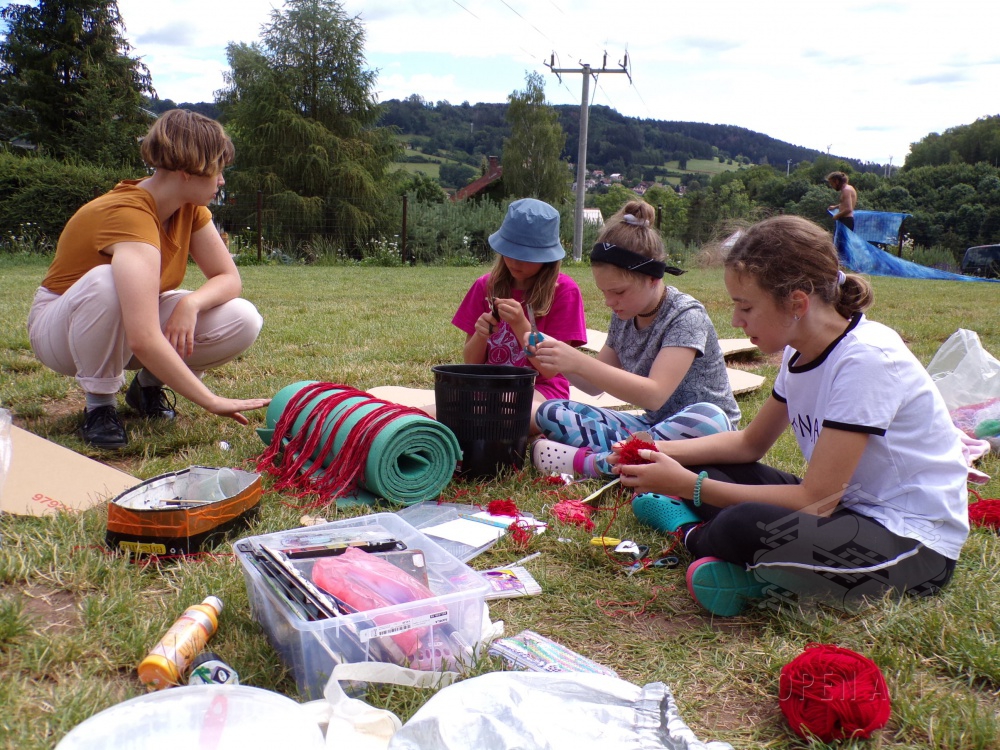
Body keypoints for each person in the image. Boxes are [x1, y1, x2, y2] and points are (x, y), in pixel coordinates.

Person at [613, 215, 968, 616]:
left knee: (740, 521)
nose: (736, 320)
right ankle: (764, 571)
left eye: (746, 306)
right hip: (845, 509)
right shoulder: (799, 351)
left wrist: (690, 486)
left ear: (797, 303)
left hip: (912, 545)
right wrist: (655, 451)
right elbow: (749, 444)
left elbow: (815, 500)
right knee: (708, 466)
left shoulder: (867, 360)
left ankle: (689, 532)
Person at [27, 109, 270, 449]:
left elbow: (228, 278)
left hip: (124, 329)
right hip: (61, 333)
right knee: (107, 281)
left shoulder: (189, 207)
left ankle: (147, 387)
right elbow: (142, 337)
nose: (221, 181)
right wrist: (211, 400)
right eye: (218, 170)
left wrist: (191, 303)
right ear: (187, 171)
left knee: (242, 317)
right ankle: (99, 407)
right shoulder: (129, 213)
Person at [527, 200, 740, 479]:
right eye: (604, 292)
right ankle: (626, 457)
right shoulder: (625, 313)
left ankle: (597, 463)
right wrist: (557, 359)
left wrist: (576, 360)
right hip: (652, 428)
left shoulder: (686, 316)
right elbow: (592, 385)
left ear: (653, 278)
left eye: (618, 292)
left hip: (703, 434)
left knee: (709, 417)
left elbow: (654, 394)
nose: (609, 301)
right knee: (551, 411)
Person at [452, 198, 587, 431]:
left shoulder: (565, 291)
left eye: (526, 255)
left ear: (548, 257)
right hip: (487, 387)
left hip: (541, 391)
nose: (515, 261)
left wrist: (520, 324)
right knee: (445, 411)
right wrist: (481, 335)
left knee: (493, 416)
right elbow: (471, 363)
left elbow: (549, 369)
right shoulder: (485, 286)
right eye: (510, 251)